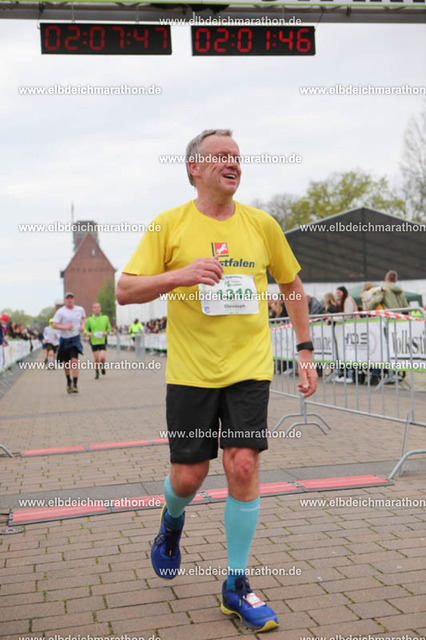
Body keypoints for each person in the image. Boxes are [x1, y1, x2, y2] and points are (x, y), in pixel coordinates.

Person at [116, 129, 317, 633]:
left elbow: (291, 284)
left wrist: (305, 349)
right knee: (189, 476)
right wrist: (179, 275)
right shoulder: (169, 225)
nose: (233, 163)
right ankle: (171, 522)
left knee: (242, 463)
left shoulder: (262, 225)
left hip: (249, 368)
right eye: (222, 156)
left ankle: (236, 584)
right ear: (194, 167)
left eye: (237, 156)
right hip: (191, 373)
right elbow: (124, 290)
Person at [52, 293, 86, 394]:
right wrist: (65, 327)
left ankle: (75, 384)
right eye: (68, 298)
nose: (70, 300)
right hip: (65, 339)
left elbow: (84, 318)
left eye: (71, 298)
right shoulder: (61, 312)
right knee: (66, 363)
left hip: (75, 338)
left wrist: (83, 326)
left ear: (74, 299)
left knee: (74, 361)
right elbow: (54, 325)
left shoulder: (79, 309)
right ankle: (68, 381)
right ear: (65, 300)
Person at [84, 302, 111, 379]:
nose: (97, 309)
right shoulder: (89, 319)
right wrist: (87, 333)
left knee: (102, 357)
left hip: (102, 340)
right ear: (92, 309)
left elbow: (109, 328)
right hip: (94, 341)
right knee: (96, 358)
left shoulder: (105, 318)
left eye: (98, 307)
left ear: (100, 308)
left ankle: (102, 366)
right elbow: (85, 329)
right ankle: (96, 371)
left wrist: (106, 332)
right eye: (95, 308)